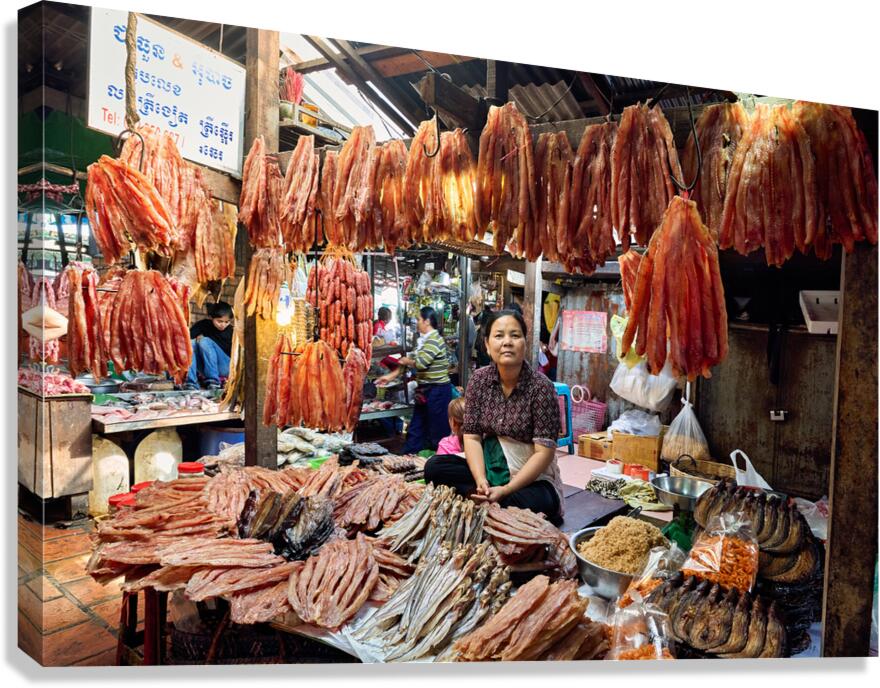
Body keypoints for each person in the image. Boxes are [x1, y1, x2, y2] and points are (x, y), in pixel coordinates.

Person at [424, 309, 565, 524]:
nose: (507, 342)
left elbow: (543, 453)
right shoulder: (479, 381)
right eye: (499, 336)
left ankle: (492, 501)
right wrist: (481, 479)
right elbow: (471, 436)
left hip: (530, 479)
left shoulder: (541, 387)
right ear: (488, 345)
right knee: (434, 467)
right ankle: (487, 497)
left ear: (525, 344)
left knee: (534, 501)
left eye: (515, 335)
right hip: (490, 469)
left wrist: (507, 489)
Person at [376, 306, 452, 453]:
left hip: (437, 391)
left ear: (427, 321)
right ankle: (409, 456)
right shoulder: (423, 341)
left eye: (418, 319)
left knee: (437, 431)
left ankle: (439, 461)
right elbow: (409, 361)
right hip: (425, 391)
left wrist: (406, 361)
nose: (416, 322)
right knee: (416, 427)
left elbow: (420, 362)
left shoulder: (434, 340)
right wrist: (389, 377)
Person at [185, 302, 233, 390]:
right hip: (206, 366)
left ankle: (213, 381)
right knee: (190, 343)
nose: (223, 325)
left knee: (204, 341)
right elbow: (186, 340)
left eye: (227, 322)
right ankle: (191, 383)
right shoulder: (203, 325)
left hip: (226, 366)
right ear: (211, 318)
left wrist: (205, 339)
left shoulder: (231, 331)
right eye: (219, 321)